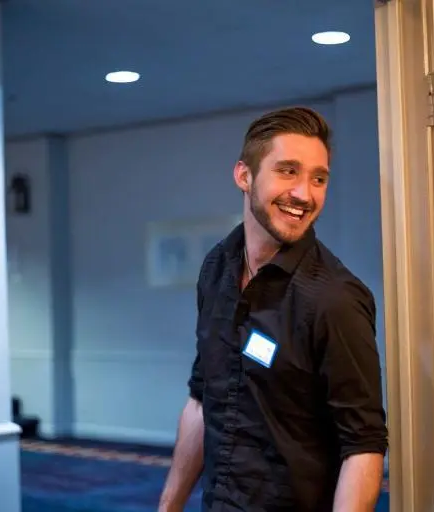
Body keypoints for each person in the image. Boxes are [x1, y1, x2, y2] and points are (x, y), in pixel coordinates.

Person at [158, 106, 388, 511]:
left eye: (318, 178)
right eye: (288, 171)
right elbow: (201, 401)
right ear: (244, 176)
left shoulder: (335, 299)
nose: (304, 194)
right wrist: (169, 507)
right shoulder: (217, 269)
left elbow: (363, 447)